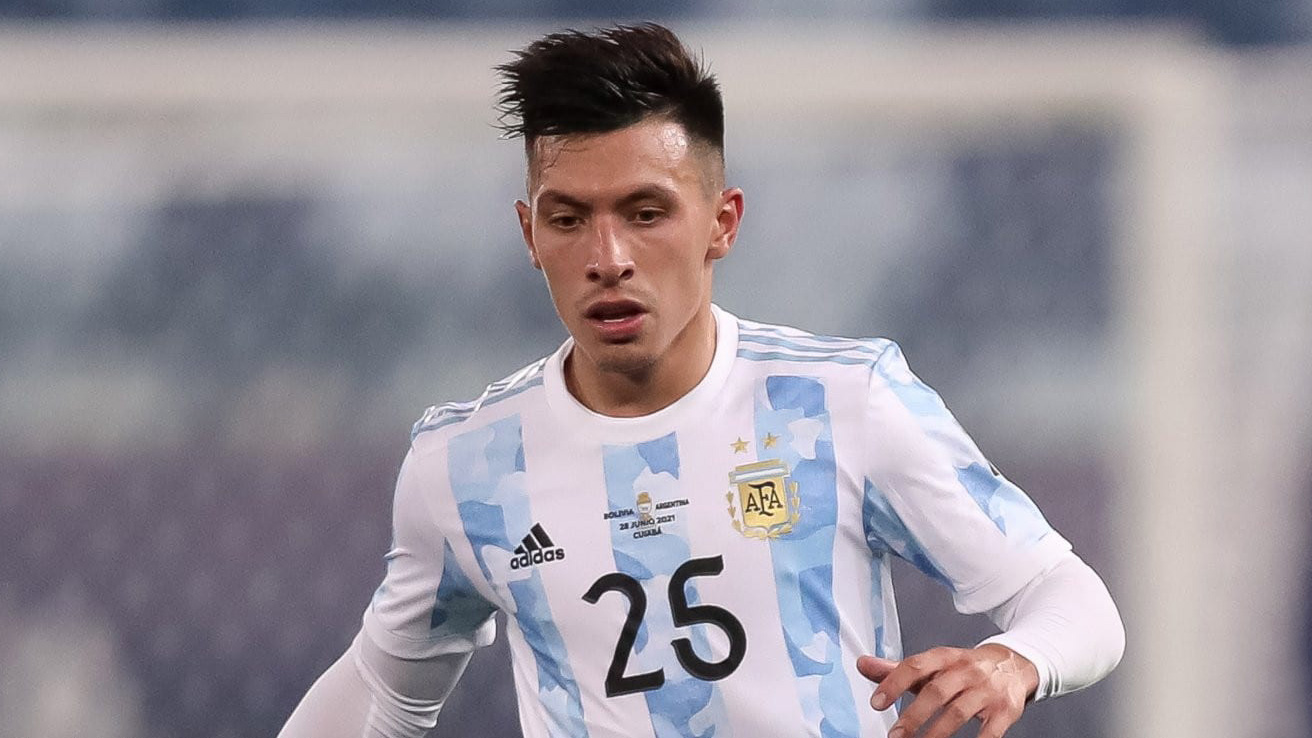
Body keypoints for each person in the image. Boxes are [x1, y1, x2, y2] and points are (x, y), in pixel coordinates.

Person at [278, 22, 1124, 738]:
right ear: (529, 235)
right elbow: (385, 686)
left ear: (722, 223)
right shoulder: (466, 466)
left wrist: (1014, 661)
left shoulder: (841, 404)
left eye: (646, 213)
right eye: (568, 219)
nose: (608, 258)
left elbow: (1068, 596)